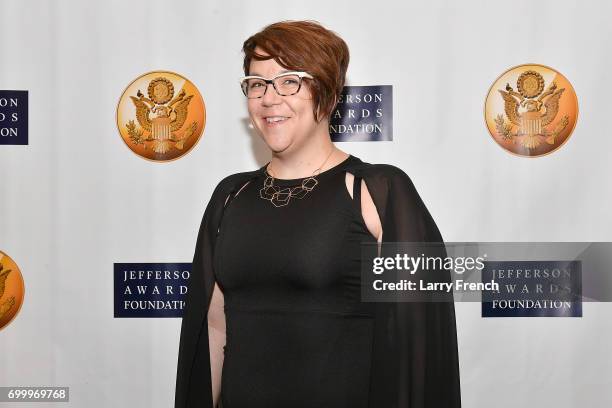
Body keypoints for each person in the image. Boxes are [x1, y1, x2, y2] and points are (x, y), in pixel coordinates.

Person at [175, 20, 461, 408]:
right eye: (257, 83)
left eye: (289, 81)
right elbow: (212, 327)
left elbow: (419, 342)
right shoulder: (230, 195)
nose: (269, 98)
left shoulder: (379, 192)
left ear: (326, 93)